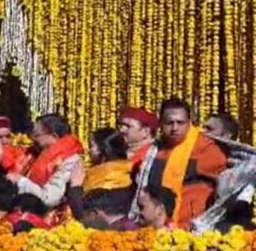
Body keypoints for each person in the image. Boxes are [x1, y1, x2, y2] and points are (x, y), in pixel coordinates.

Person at [133, 98, 228, 229]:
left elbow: (225, 186)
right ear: (160, 123)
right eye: (169, 123)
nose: (175, 128)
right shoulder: (153, 151)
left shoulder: (206, 148)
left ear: (189, 122)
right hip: (156, 229)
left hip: (194, 228)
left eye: (180, 122)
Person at [0, 113, 84, 209]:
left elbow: (49, 199)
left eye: (36, 135)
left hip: (49, 216)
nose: (32, 139)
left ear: (54, 136)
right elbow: (5, 153)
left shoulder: (69, 161)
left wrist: (21, 181)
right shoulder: (35, 152)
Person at [67, 128, 133, 221]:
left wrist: (75, 187)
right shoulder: (129, 169)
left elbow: (85, 216)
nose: (89, 150)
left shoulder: (103, 177)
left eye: (92, 146)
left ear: (102, 149)